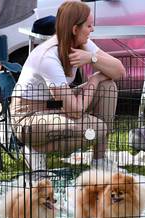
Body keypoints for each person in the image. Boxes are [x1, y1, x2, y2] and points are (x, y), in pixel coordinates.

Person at [10, 1, 126, 170]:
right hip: (28, 117)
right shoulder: (49, 57)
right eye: (89, 25)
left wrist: (92, 58)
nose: (92, 30)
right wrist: (93, 81)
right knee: (97, 128)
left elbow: (119, 71)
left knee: (108, 86)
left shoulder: (81, 43)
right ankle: (35, 148)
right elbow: (75, 111)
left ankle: (99, 162)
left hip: (54, 107)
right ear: (74, 29)